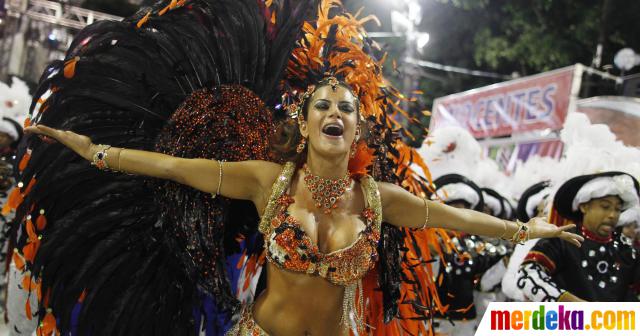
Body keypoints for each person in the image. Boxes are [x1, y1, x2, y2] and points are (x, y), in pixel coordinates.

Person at [12, 0, 582, 335]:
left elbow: (452, 217)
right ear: (305, 125)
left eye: (346, 108)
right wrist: (97, 153)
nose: (335, 113)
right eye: (323, 106)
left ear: (357, 128)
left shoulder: (379, 197)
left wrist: (526, 230)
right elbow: (173, 166)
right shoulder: (267, 180)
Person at [518, 172, 640, 302]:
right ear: (584, 206)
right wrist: (571, 303)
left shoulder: (627, 251)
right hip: (566, 320)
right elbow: (527, 274)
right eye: (605, 206)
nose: (612, 215)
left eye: (617, 209)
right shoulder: (561, 240)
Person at [430, 175, 510, 336]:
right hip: (433, 319)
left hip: (468, 321)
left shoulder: (480, 246)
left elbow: (485, 284)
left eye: (462, 211)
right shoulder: (429, 242)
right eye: (451, 211)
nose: (456, 218)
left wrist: (505, 262)